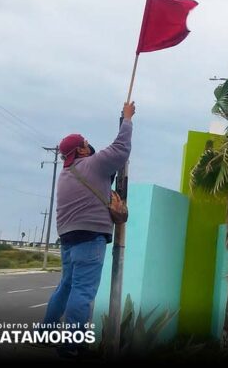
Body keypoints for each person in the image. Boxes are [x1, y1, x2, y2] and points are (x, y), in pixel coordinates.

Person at [40, 101, 135, 357]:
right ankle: (72, 345)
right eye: (85, 142)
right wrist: (127, 119)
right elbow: (120, 149)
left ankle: (45, 333)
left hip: (68, 238)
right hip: (90, 237)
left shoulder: (67, 173)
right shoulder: (91, 165)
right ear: (81, 150)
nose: (88, 143)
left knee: (67, 286)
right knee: (83, 291)